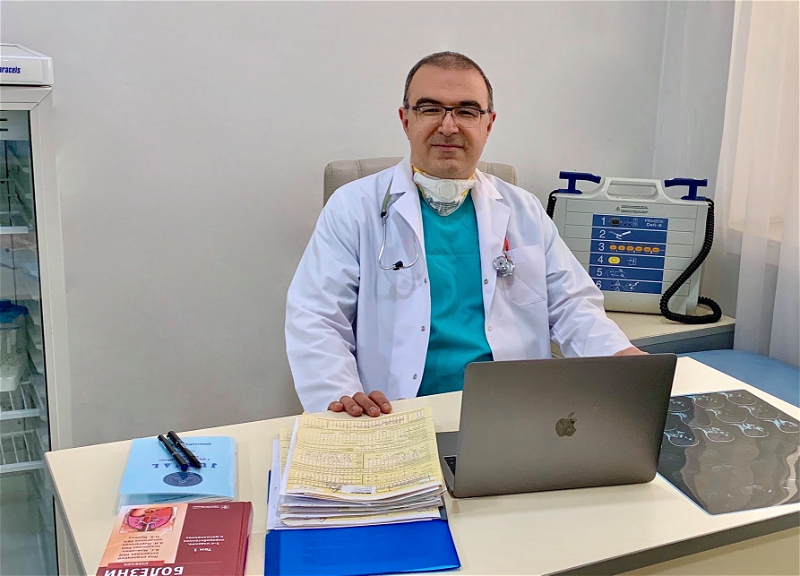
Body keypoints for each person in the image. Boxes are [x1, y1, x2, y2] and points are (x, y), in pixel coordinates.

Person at [286, 52, 644, 417]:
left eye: (467, 111)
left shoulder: (524, 210)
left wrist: (620, 355)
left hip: (510, 411)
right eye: (430, 109)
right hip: (392, 413)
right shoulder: (354, 206)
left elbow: (572, 306)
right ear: (405, 120)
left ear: (488, 124)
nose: (448, 126)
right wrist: (342, 397)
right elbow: (317, 318)